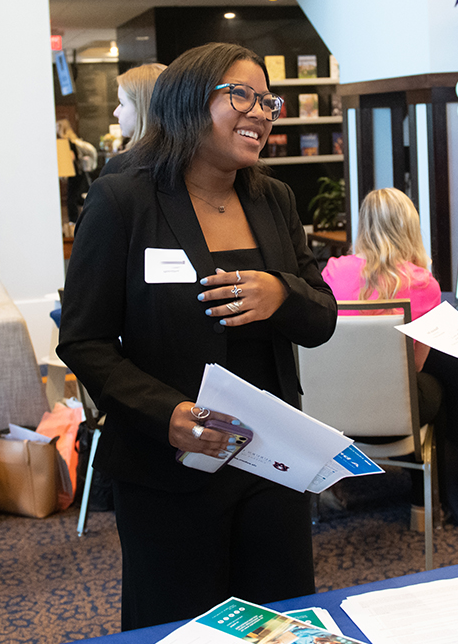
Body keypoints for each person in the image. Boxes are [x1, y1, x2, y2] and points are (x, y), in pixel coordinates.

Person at [57, 42, 336, 630]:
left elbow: (322, 318)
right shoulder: (123, 200)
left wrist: (281, 294)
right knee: (182, 626)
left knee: (279, 624)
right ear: (187, 102)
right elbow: (84, 341)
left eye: (268, 101)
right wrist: (167, 413)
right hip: (171, 465)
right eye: (241, 95)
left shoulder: (274, 199)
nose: (260, 112)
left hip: (273, 462)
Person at [321, 187, 443, 528]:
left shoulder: (332, 272)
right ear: (409, 227)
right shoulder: (423, 284)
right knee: (436, 385)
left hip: (333, 410)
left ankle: (329, 482)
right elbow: (414, 366)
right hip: (395, 417)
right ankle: (423, 506)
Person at [100, 62, 166, 177]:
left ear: (143, 107)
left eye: (122, 103)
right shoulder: (197, 163)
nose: (115, 112)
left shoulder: (118, 169)